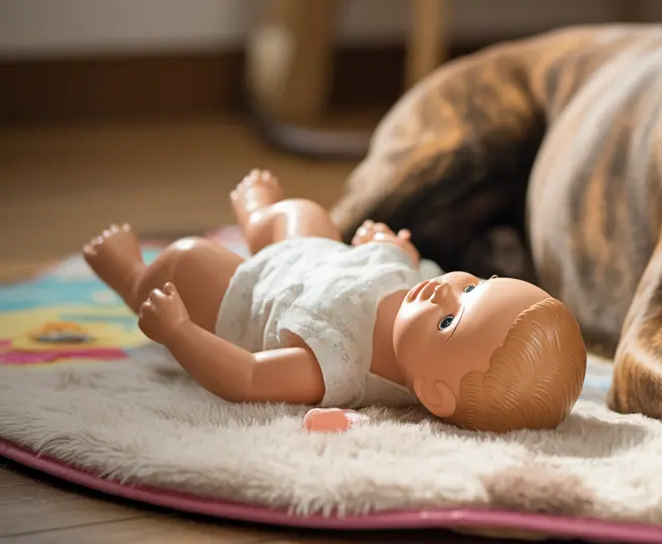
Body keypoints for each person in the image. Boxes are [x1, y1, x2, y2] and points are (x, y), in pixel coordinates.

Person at [82, 170, 585, 433]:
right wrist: (389, 246)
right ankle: (258, 218)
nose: (444, 290)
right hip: (310, 255)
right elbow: (396, 270)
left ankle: (128, 276)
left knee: (185, 261)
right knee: (303, 211)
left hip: (249, 292)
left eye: (450, 320)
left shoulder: (336, 366)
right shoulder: (419, 292)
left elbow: (247, 376)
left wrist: (179, 332)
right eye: (474, 286)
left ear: (433, 394)